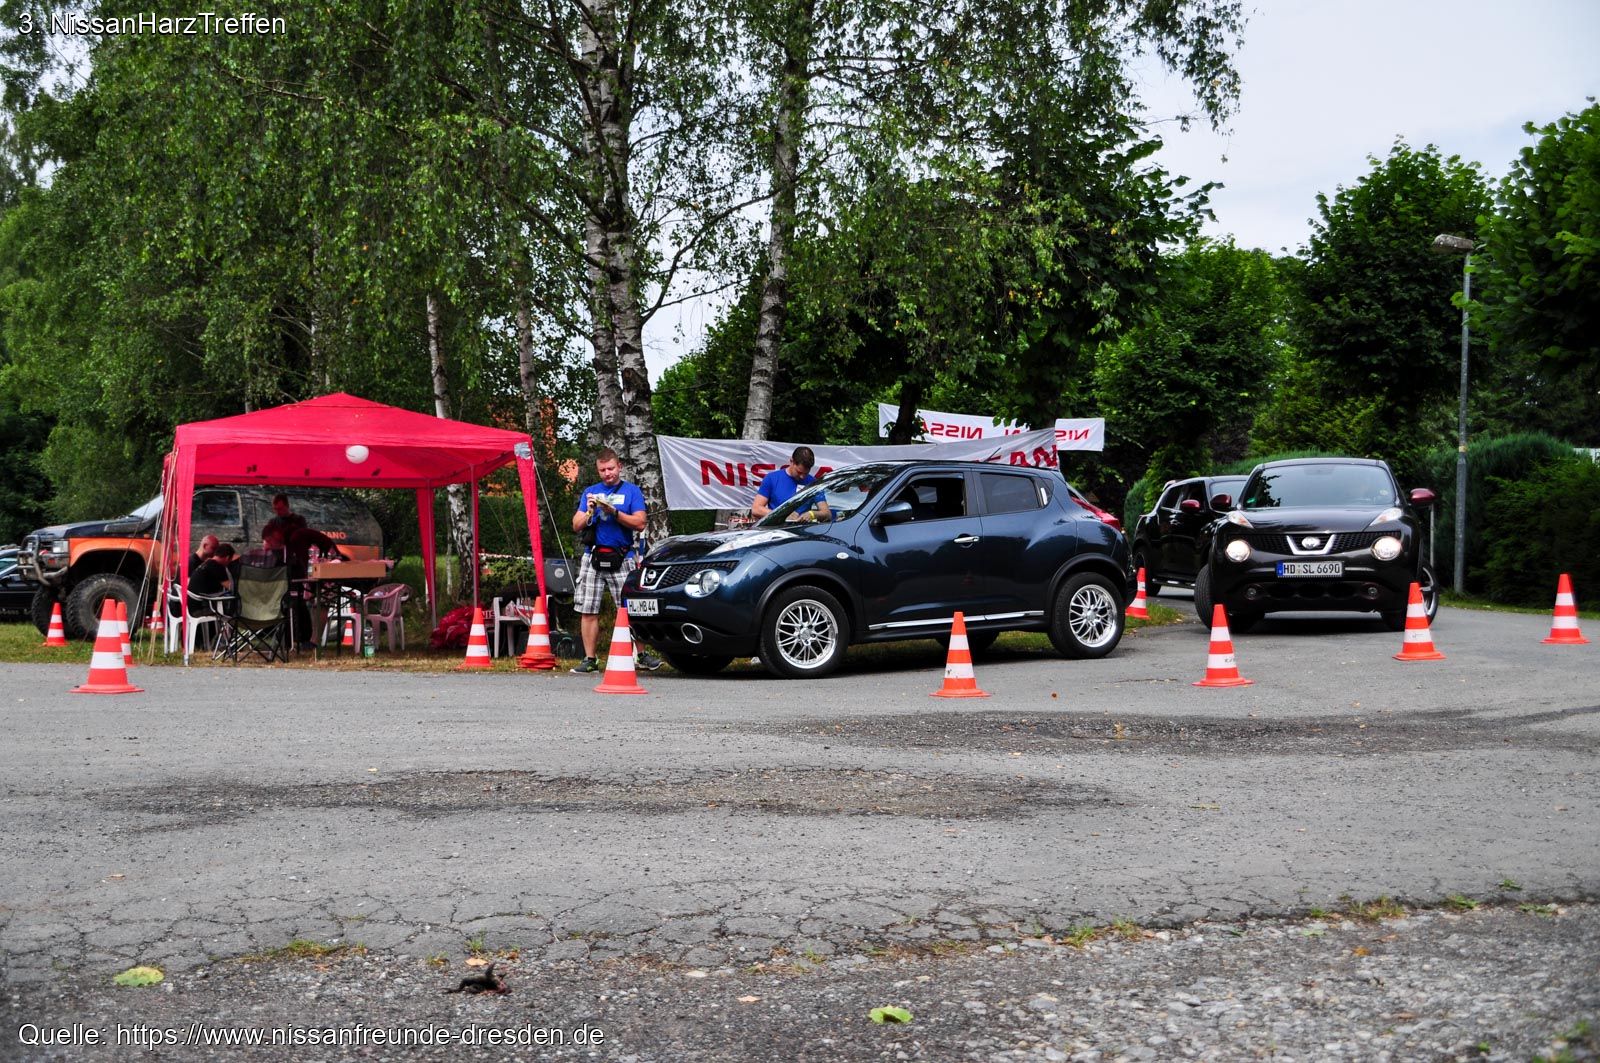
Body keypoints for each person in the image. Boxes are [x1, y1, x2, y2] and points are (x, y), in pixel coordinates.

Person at [570, 447, 661, 673]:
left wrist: (614, 512)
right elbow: (576, 525)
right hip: (593, 556)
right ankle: (590, 659)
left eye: (610, 468)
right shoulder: (590, 491)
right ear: (597, 470)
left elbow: (640, 523)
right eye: (602, 470)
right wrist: (590, 511)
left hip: (622, 556)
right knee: (588, 609)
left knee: (630, 609)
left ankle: (641, 655)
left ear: (619, 467)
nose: (607, 473)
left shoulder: (631, 491)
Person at [751, 446, 831, 523]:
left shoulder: (812, 483)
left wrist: (812, 514)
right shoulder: (772, 478)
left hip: (801, 530)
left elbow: (827, 514)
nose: (802, 477)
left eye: (806, 473)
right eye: (799, 472)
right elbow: (756, 509)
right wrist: (782, 516)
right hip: (776, 529)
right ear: (791, 461)